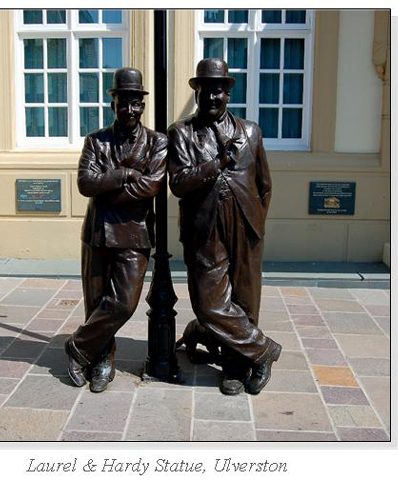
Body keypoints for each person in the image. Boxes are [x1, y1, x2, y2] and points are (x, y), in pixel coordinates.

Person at [168, 58, 282, 395]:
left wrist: (255, 222)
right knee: (210, 304)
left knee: (245, 301)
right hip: (205, 229)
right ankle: (264, 351)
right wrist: (217, 162)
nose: (212, 97)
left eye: (219, 91)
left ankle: (235, 366)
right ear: (197, 93)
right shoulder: (182, 133)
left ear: (228, 94)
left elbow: (264, 184)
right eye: (206, 91)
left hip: (245, 227)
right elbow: (179, 182)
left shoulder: (251, 131)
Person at [65, 67, 167, 393]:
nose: (130, 110)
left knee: (123, 303)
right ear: (114, 103)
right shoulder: (96, 141)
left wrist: (107, 188)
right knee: (96, 302)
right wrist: (124, 174)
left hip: (134, 235)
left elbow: (151, 186)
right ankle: (102, 360)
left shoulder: (157, 143)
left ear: (143, 105)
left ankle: (78, 346)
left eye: (136, 103)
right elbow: (85, 183)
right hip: (97, 232)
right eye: (124, 102)